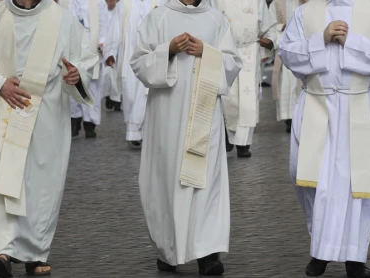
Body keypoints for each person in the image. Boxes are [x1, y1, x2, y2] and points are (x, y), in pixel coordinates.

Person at [0, 0, 98, 276]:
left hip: (47, 116)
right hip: (4, 108)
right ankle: (0, 250)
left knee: (41, 184)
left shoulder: (62, 19)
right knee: (3, 179)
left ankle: (35, 252)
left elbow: (82, 61)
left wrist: (76, 75)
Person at [279, 0, 370, 277]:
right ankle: (320, 247)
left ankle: (354, 258)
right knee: (309, 178)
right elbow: (286, 52)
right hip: (315, 104)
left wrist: (352, 41)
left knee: (355, 184)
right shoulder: (305, 12)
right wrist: (320, 39)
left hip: (356, 106)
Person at [130, 0, 242, 275]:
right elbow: (138, 62)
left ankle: (208, 253)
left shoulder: (216, 19)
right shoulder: (158, 18)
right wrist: (167, 50)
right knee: (167, 180)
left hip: (205, 115)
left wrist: (206, 52)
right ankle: (169, 249)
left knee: (206, 181)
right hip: (166, 116)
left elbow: (233, 62)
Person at [210, 0, 277, 158]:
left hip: (248, 51)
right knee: (225, 95)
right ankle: (225, 134)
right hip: (224, 52)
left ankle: (244, 142)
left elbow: (270, 27)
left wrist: (270, 40)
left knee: (248, 97)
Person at [104, 0, 164, 148]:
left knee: (146, 94)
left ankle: (138, 132)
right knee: (130, 94)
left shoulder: (162, 3)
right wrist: (110, 52)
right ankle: (134, 130)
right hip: (130, 57)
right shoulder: (124, 4)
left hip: (152, 57)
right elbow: (115, 29)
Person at [68, 0, 108, 138]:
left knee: (91, 86)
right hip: (73, 44)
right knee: (73, 83)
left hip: (92, 43)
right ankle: (74, 120)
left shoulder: (98, 2)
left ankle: (90, 123)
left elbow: (104, 21)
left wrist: (102, 40)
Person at [270, 0, 304, 133]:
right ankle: (288, 119)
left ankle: (301, 115)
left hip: (303, 48)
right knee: (285, 84)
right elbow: (270, 26)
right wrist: (282, 28)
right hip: (286, 47)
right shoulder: (277, 3)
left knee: (300, 84)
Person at [101, 0, 121, 112]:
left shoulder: (120, 8)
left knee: (118, 76)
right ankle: (109, 97)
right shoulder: (102, 10)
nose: (110, 2)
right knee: (107, 77)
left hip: (118, 49)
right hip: (106, 48)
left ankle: (117, 101)